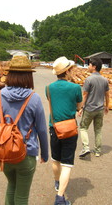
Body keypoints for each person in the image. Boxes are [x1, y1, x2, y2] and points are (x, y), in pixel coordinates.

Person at [0, 54, 49, 205]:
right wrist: (45, 154)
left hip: (4, 154)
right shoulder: (34, 99)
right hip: (26, 154)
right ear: (29, 76)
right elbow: (42, 130)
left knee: (11, 186)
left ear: (10, 74)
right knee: (22, 195)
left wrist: (1, 145)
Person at [46, 56, 82, 205]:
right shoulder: (75, 88)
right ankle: (60, 198)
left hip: (54, 128)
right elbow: (79, 107)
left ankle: (56, 182)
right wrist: (75, 108)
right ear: (67, 72)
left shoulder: (48, 87)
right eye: (71, 69)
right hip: (69, 129)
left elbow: (52, 103)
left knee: (56, 159)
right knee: (67, 163)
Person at [78, 57, 109, 158]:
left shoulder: (89, 79)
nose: (88, 66)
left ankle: (86, 147)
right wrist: (107, 106)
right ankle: (97, 151)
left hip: (89, 109)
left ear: (94, 67)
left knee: (83, 127)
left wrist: (80, 108)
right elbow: (107, 95)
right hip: (100, 109)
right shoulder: (105, 80)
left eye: (90, 65)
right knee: (98, 130)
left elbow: (85, 95)